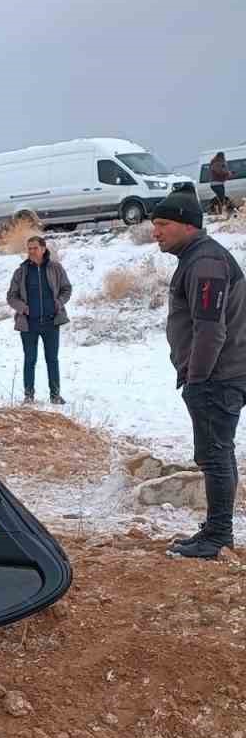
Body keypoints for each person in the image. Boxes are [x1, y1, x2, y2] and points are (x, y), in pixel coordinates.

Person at [151, 191, 246, 559]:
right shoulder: (197, 257)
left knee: (214, 454)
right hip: (220, 373)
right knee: (218, 453)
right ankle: (216, 530)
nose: (155, 232)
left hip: (217, 377)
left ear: (189, 225)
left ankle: (218, 537)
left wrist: (198, 379)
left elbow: (211, 329)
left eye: (163, 224)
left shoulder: (205, 261)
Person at [6, 235, 73, 404]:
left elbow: (67, 289)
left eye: (35, 248)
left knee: (52, 359)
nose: (31, 252)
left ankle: (55, 395)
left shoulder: (55, 268)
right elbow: (11, 296)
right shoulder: (21, 272)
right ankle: (29, 396)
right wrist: (23, 308)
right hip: (29, 324)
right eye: (29, 249)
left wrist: (59, 303)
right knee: (30, 360)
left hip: (51, 322)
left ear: (43, 249)